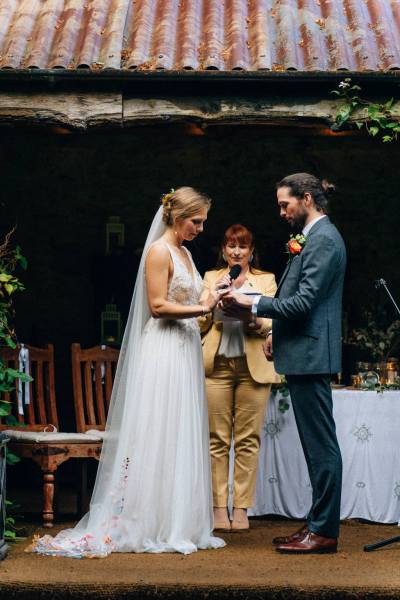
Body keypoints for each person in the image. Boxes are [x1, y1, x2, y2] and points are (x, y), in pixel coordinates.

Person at [30, 187, 226, 557]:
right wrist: (203, 308)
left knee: (179, 430)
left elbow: (191, 300)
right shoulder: (158, 252)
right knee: (158, 428)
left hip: (185, 349)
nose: (200, 229)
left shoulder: (185, 252)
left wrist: (212, 297)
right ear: (176, 216)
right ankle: (144, 519)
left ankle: (176, 520)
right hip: (164, 349)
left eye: (202, 222)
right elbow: (157, 305)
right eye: (196, 221)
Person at [223, 173, 346, 554]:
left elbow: (304, 302)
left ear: (306, 199)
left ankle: (323, 531)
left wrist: (252, 302)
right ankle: (315, 523)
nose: (281, 211)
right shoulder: (313, 238)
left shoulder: (324, 240)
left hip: (312, 356)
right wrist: (277, 332)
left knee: (321, 446)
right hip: (302, 351)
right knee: (313, 445)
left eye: (285, 204)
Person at [199, 224, 280, 532]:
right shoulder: (209, 277)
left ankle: (241, 508)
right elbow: (199, 323)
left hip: (253, 365)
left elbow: (273, 319)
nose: (236, 251)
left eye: (242, 246)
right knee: (216, 440)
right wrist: (212, 304)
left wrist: (250, 316)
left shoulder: (266, 280)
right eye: (231, 246)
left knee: (248, 440)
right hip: (216, 365)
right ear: (223, 250)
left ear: (250, 251)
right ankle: (219, 508)